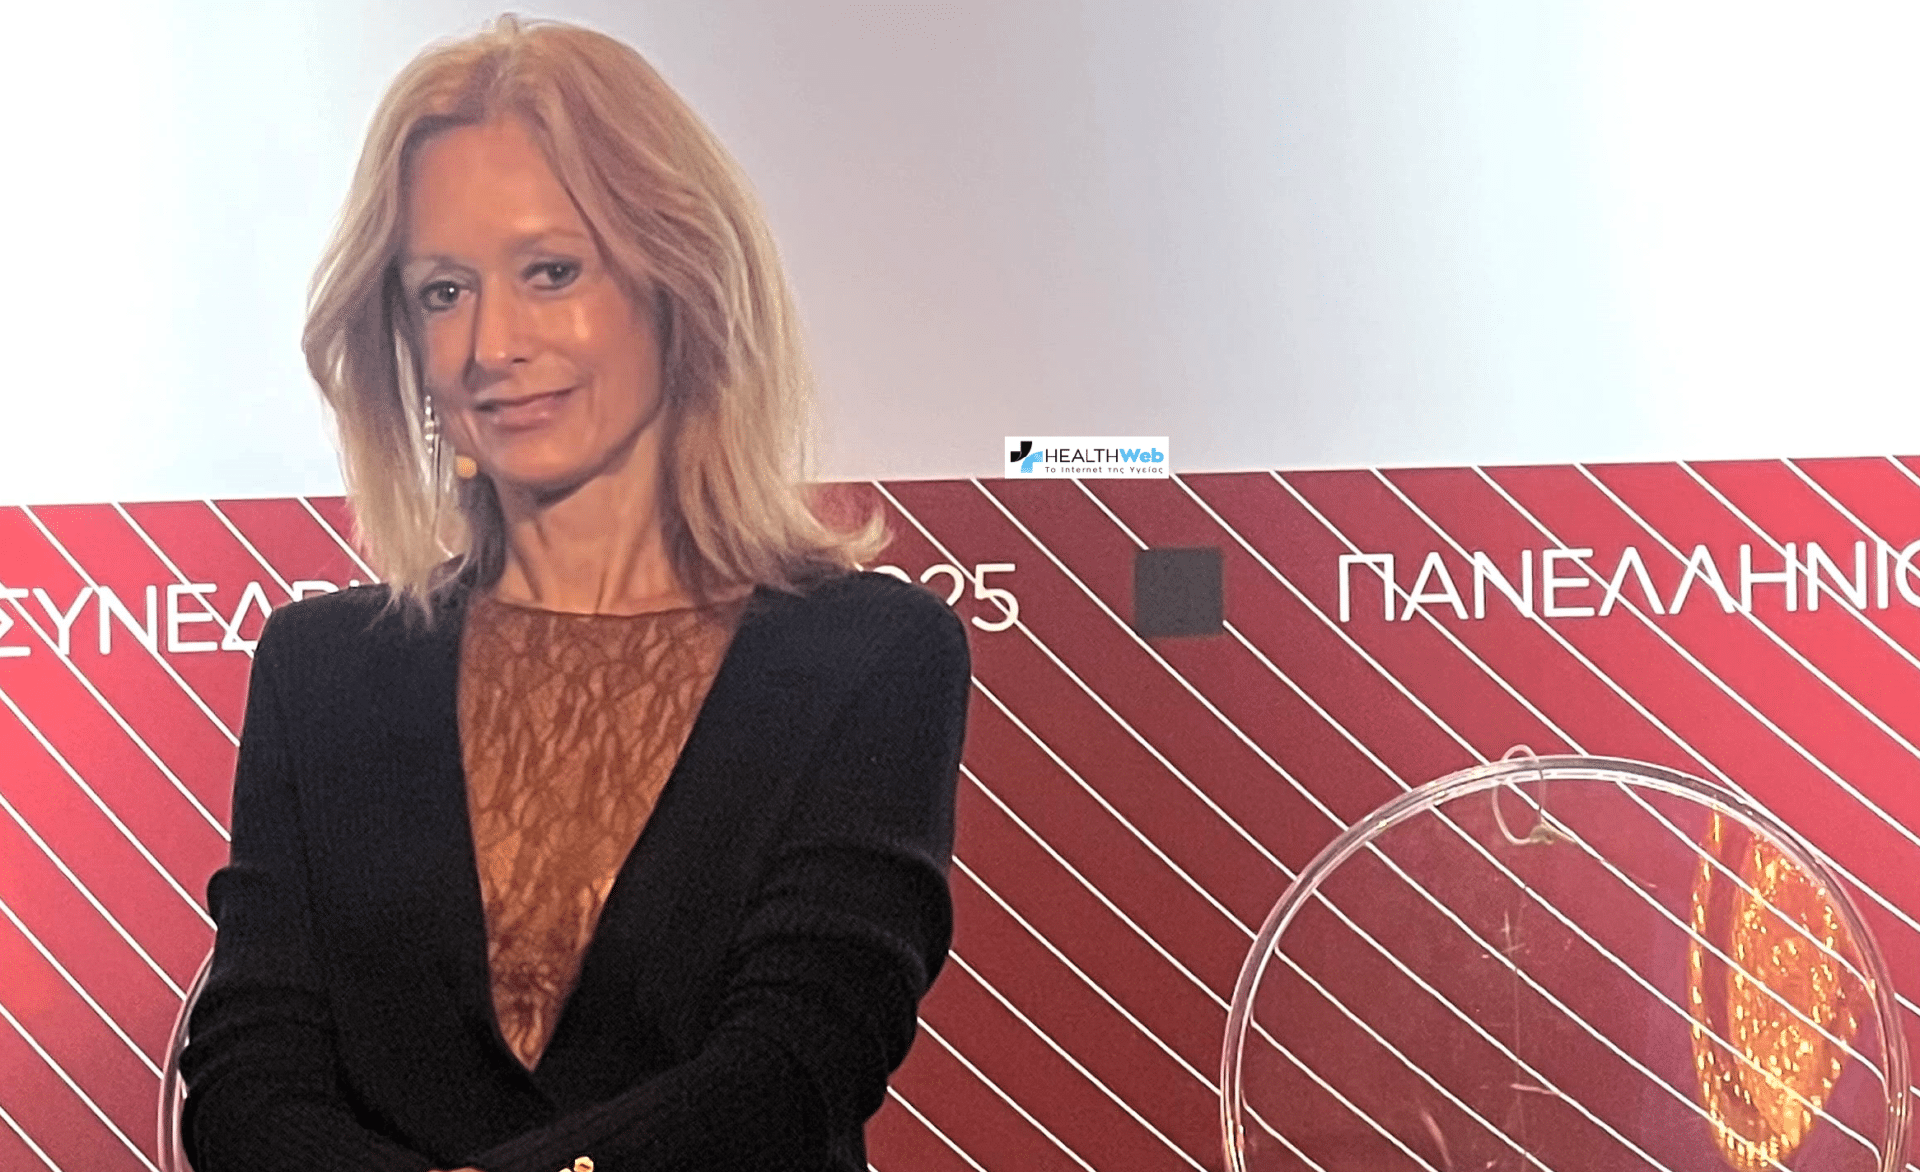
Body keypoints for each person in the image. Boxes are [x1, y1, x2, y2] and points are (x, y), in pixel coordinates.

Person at [178, 16, 969, 1172]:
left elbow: (797, 1059)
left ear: (678, 280)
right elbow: (247, 1078)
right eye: (443, 290)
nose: (491, 342)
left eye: (551, 271)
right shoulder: (322, 665)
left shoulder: (873, 652)